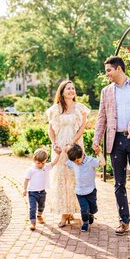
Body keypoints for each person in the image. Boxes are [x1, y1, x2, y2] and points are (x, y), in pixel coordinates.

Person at [92, 55, 130, 237]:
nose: (107, 74)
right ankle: (124, 221)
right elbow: (102, 117)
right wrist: (97, 138)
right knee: (119, 183)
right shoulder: (106, 92)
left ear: (119, 69)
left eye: (108, 71)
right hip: (116, 140)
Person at [46, 80, 90, 227]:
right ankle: (64, 213)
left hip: (74, 145)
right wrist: (54, 144)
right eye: (68, 88)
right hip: (60, 146)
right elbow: (51, 130)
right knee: (61, 177)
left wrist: (72, 143)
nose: (71, 90)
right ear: (62, 91)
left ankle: (72, 209)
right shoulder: (55, 109)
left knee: (74, 176)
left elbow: (82, 127)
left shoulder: (80, 108)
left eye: (73, 88)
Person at [65, 143, 106, 232]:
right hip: (80, 192)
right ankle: (85, 223)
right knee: (84, 210)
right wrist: (66, 150)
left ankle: (91, 213)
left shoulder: (90, 161)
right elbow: (66, 161)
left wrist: (99, 152)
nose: (76, 163)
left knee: (93, 209)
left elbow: (103, 163)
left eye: (78, 160)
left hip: (91, 190)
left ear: (82, 154)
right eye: (74, 161)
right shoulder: (73, 162)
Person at [23, 147, 61, 231]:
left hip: (42, 192)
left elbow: (54, 163)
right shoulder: (31, 170)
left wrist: (58, 154)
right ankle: (33, 222)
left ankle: (39, 215)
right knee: (32, 208)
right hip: (32, 193)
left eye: (43, 163)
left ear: (45, 161)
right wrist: (24, 189)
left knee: (42, 206)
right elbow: (26, 180)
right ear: (34, 160)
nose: (40, 165)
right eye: (38, 163)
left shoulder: (46, 167)